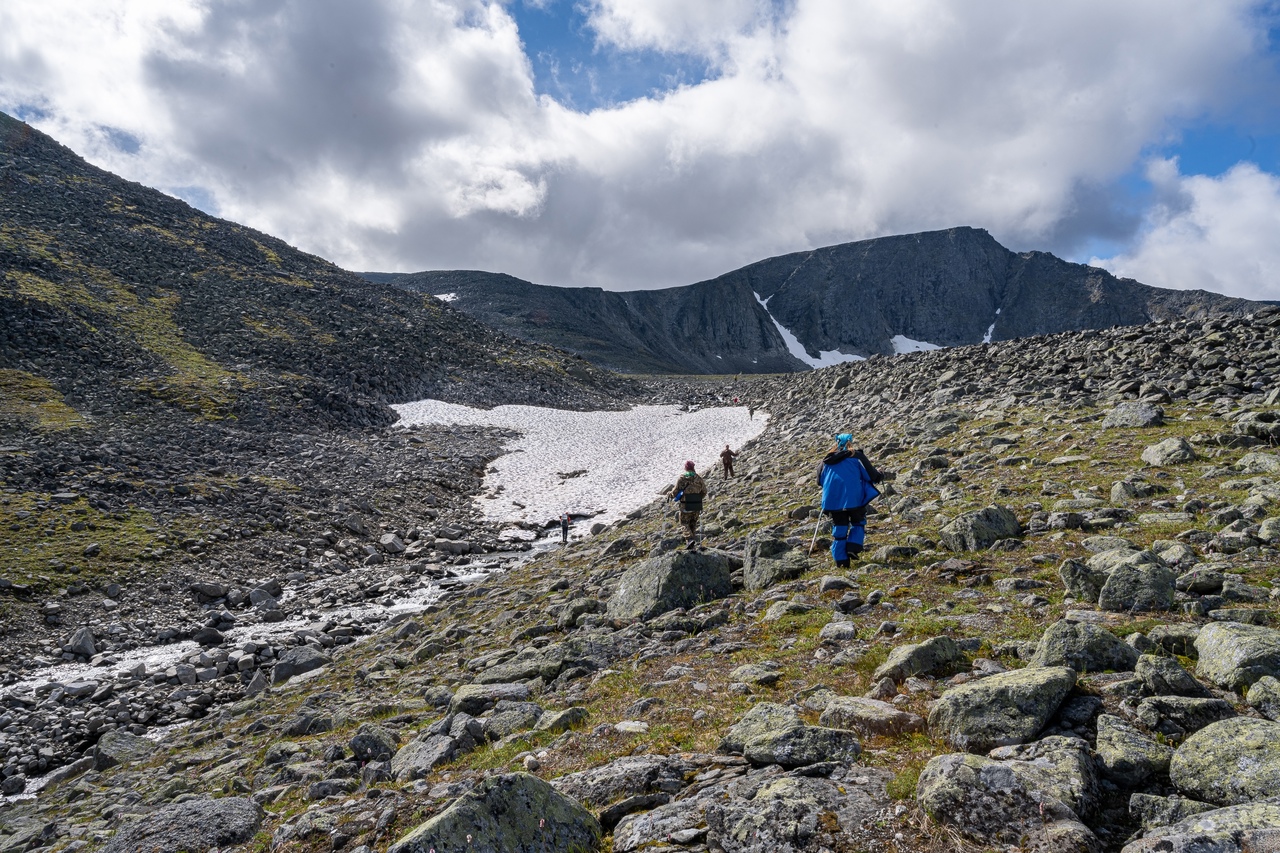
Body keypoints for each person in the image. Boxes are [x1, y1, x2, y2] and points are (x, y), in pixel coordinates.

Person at [816, 433, 883, 568]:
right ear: (850, 442)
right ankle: (853, 546)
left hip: (832, 500)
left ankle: (841, 561)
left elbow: (820, 481)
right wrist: (880, 475)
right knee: (858, 521)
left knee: (839, 527)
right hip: (853, 498)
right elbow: (871, 475)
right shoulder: (856, 456)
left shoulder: (825, 461)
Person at [670, 460, 707, 550]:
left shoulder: (682, 478)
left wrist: (669, 494)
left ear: (685, 468)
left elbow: (675, 492)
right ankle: (691, 545)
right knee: (693, 524)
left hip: (685, 505)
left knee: (684, 523)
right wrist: (698, 498)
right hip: (696, 505)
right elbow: (704, 491)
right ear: (693, 467)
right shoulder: (698, 478)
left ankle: (689, 539)